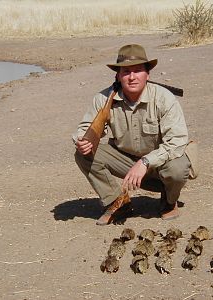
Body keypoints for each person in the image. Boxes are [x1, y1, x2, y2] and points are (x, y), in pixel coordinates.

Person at [73, 44, 192, 225]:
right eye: (126, 72)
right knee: (83, 154)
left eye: (137, 71)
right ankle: (117, 201)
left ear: (147, 74)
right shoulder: (104, 99)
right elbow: (84, 128)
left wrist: (145, 162)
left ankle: (168, 201)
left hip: (159, 165)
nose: (132, 77)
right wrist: (83, 141)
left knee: (178, 167)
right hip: (126, 162)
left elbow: (176, 142)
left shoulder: (163, 98)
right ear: (118, 76)